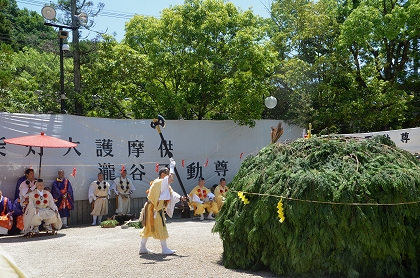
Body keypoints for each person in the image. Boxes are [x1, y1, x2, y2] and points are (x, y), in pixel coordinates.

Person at [139, 158, 184, 255]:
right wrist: (172, 166)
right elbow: (171, 179)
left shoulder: (164, 184)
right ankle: (164, 249)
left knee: (149, 227)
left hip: (154, 208)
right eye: (166, 173)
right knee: (160, 226)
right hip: (154, 209)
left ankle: (142, 248)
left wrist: (182, 198)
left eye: (168, 173)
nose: (168, 175)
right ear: (161, 175)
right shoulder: (158, 182)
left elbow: (172, 194)